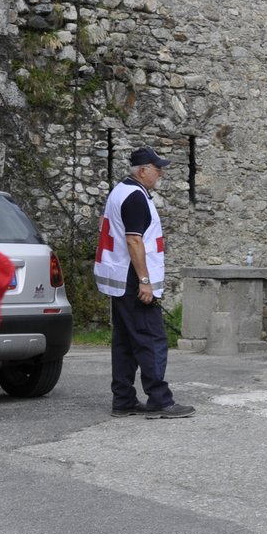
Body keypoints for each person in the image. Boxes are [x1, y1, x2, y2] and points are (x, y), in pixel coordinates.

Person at [94, 146, 194, 419]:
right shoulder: (136, 198)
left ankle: (123, 399)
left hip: (119, 276)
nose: (160, 172)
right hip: (133, 276)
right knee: (151, 338)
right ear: (141, 170)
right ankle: (160, 399)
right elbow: (134, 240)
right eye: (156, 167)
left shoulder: (121, 191)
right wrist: (145, 281)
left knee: (125, 340)